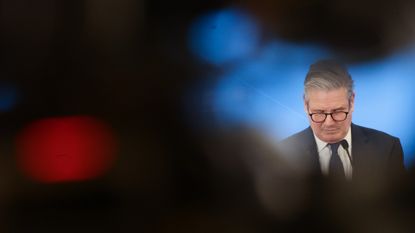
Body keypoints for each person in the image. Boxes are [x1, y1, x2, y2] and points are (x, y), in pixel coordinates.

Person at [279, 59, 405, 181]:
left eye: (338, 112)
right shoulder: (282, 155)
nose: (329, 123)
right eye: (319, 113)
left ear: (352, 101)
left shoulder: (387, 148)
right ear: (306, 105)